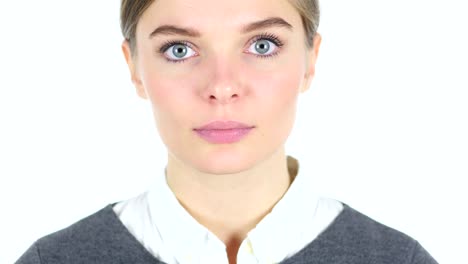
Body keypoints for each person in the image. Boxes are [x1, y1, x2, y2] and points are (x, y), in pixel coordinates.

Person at [16, 0, 438, 263]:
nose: (221, 86)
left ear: (311, 61)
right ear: (135, 68)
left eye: (262, 45)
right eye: (178, 50)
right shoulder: (53, 260)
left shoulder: (398, 259)